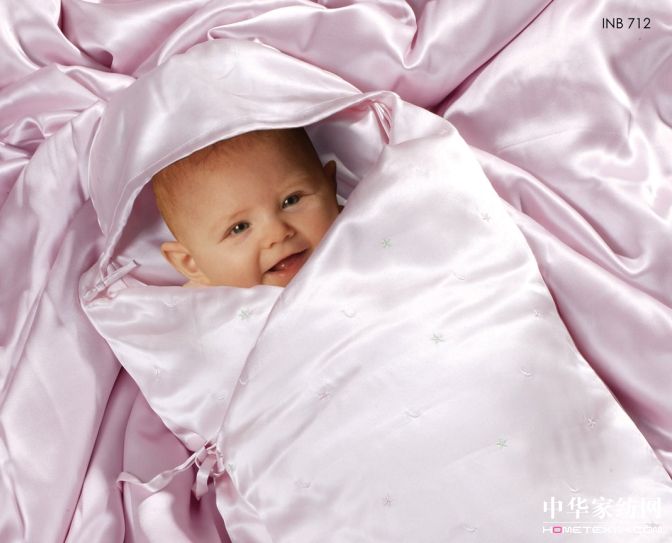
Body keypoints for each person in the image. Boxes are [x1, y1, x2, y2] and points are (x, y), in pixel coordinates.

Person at [151, 127, 343, 288]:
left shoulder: (358, 243)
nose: (277, 233)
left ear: (330, 186)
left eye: (291, 200)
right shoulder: (200, 315)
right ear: (192, 263)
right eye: (239, 228)